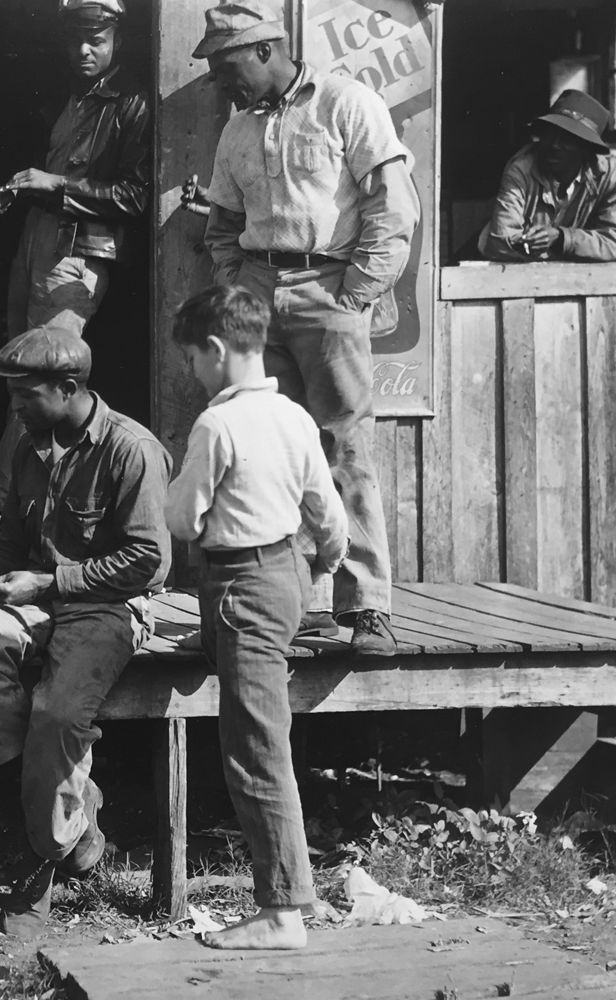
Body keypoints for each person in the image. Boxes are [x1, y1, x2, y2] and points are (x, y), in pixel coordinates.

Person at [0, 327, 171, 938]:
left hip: (108, 605)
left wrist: (47, 585)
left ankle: (37, 865)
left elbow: (149, 562)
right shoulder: (30, 447)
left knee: (56, 717)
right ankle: (71, 814)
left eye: (25, 395)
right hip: (36, 599)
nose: (15, 408)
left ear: (69, 387)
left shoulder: (132, 450)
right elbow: (9, 553)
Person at [197, 0, 417, 655]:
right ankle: (292, 604)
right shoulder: (236, 128)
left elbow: (392, 206)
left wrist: (355, 292)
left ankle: (367, 606)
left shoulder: (348, 103)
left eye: (224, 63)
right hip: (258, 295)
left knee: (343, 447)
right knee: (269, 450)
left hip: (329, 287)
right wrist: (237, 289)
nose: (216, 79)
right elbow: (219, 225)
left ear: (265, 50)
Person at [164, 285, 347, 950]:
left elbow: (181, 519)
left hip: (242, 586)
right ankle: (295, 890)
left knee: (255, 748)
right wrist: (323, 563)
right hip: (278, 577)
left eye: (190, 359)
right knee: (249, 709)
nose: (191, 371)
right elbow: (327, 515)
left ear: (215, 351)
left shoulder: (217, 424)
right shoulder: (293, 416)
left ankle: (283, 911)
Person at [0, 0, 151, 531]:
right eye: (76, 40)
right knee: (20, 371)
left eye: (97, 40)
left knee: (42, 373)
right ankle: (24, 503)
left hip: (83, 254)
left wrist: (55, 186)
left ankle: (4, 503)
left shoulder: (131, 104)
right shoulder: (78, 97)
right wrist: (28, 192)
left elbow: (134, 196)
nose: (84, 51)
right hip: (40, 240)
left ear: (118, 41)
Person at [478, 90, 616, 263]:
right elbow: (500, 242)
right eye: (549, 134)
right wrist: (579, 249)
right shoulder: (521, 169)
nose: (554, 145)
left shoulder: (610, 174)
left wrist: (562, 239)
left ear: (587, 148)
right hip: (496, 264)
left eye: (568, 139)